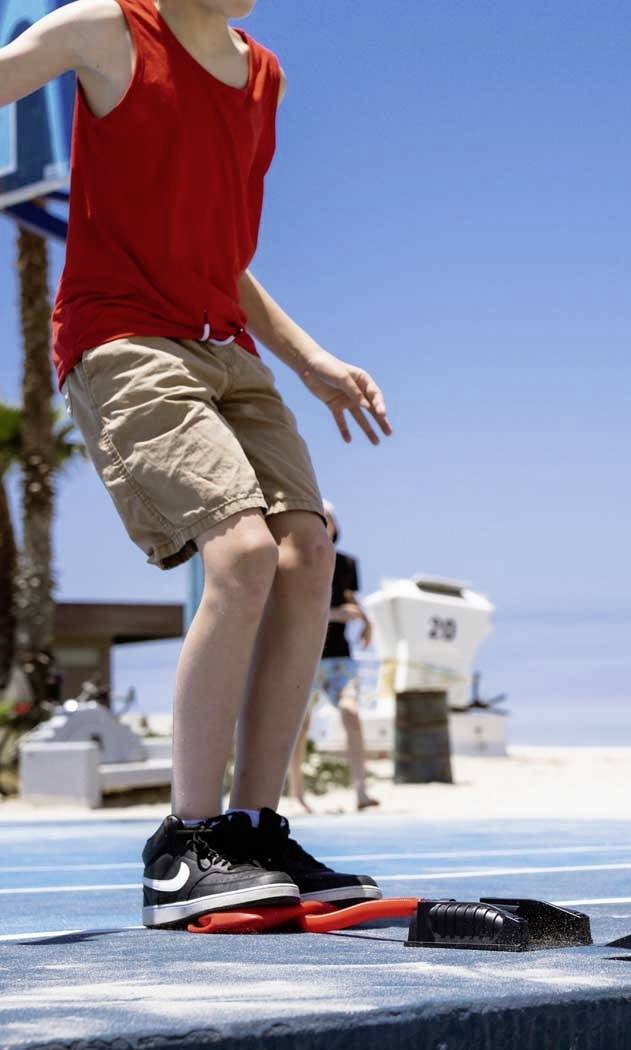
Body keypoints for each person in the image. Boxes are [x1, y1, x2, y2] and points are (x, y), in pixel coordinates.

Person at [0, 0, 392, 927]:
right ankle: (186, 843)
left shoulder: (265, 77)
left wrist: (310, 359)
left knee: (306, 555)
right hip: (123, 339)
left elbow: (224, 254)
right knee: (243, 554)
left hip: (225, 346)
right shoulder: (103, 30)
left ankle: (255, 832)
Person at [288, 500, 380, 813]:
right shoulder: (294, 564)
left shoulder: (348, 564)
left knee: (351, 713)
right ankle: (297, 795)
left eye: (327, 519)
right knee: (299, 726)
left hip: (340, 657)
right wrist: (338, 614)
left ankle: (361, 791)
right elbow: (298, 613)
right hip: (305, 657)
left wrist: (366, 621)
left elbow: (352, 604)